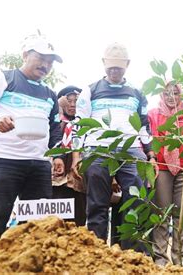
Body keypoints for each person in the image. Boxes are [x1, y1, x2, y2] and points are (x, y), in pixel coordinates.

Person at [0, 34, 64, 242]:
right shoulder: (4, 78)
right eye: (41, 58)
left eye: (50, 62)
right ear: (26, 55)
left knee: (37, 226)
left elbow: (56, 127)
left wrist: (55, 154)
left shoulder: (50, 94)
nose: (45, 65)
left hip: (38, 164)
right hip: (3, 159)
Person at [74, 42, 156, 248]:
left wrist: (151, 155)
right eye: (110, 67)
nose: (114, 71)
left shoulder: (136, 93)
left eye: (118, 67)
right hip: (97, 150)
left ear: (127, 65)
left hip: (131, 151)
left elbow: (144, 126)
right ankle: (97, 254)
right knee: (97, 205)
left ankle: (132, 257)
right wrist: (77, 154)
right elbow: (79, 124)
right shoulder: (90, 90)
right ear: (103, 64)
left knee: (136, 203)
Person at [147, 82, 183, 266]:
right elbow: (151, 139)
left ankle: (179, 259)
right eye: (167, 93)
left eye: (175, 93)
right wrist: (151, 158)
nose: (171, 97)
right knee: (162, 213)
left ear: (181, 95)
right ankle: (160, 259)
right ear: (161, 95)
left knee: (181, 214)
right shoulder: (153, 114)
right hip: (162, 167)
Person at [51, 85, 87, 226]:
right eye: (69, 101)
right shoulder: (54, 123)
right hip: (56, 179)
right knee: (56, 221)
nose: (72, 105)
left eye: (76, 101)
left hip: (78, 179)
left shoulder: (86, 125)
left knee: (78, 219)